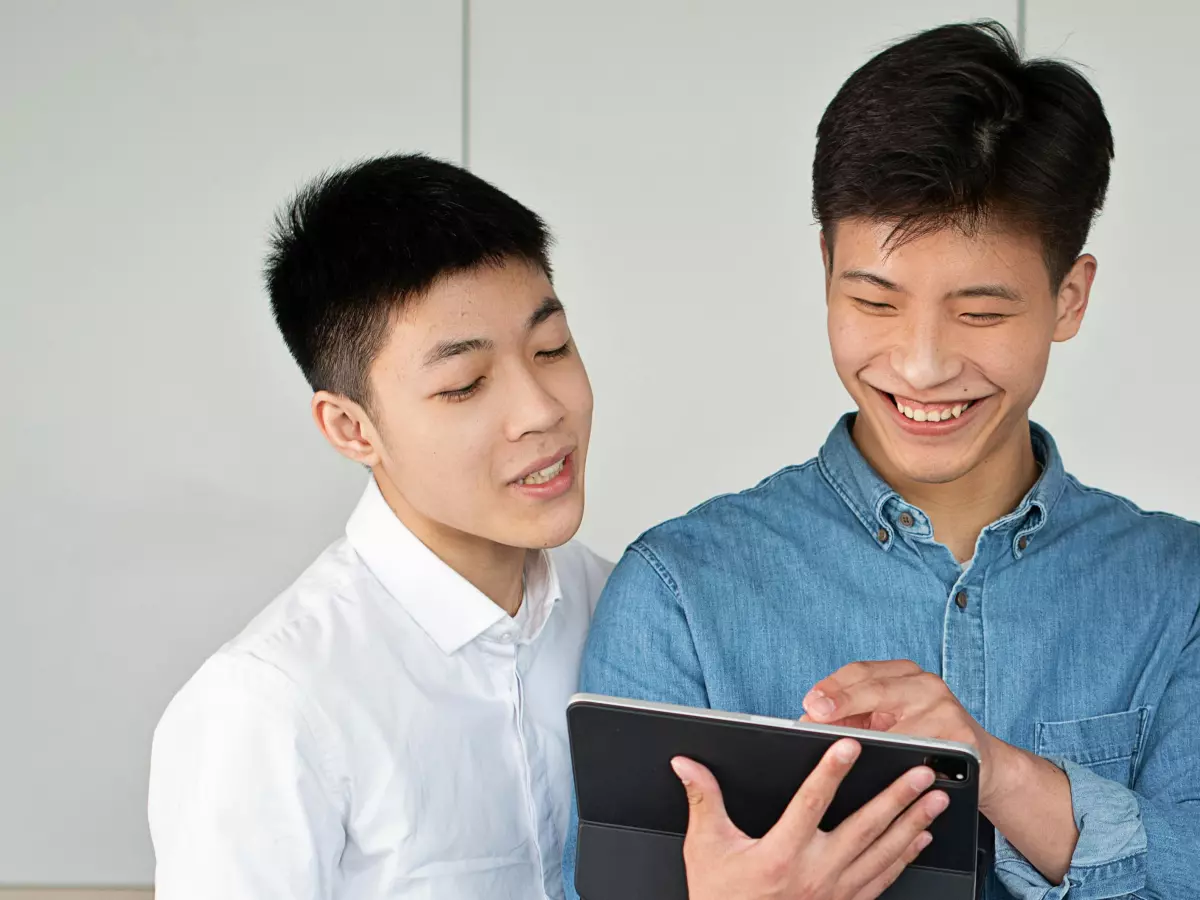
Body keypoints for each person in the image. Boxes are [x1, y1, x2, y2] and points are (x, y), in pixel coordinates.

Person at [565, 21, 1199, 900]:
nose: (922, 365)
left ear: (1070, 297)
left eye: (980, 313)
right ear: (825, 266)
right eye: (875, 300)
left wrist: (999, 775)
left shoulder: (1180, 590)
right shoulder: (680, 592)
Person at [148, 154, 611, 900]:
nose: (542, 410)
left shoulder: (626, 608)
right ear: (350, 427)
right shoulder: (270, 707)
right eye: (464, 386)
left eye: (551, 349)